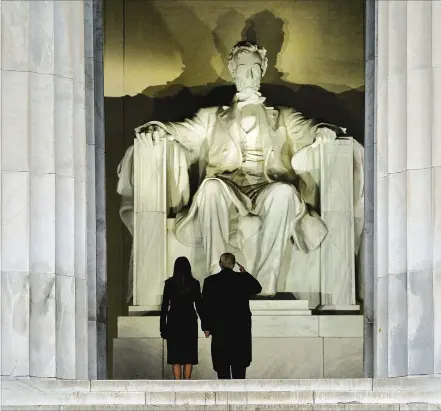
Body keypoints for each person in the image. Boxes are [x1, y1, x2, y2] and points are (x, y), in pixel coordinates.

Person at [128, 40, 362, 297]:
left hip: (267, 188)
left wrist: (323, 131)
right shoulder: (210, 116)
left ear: (262, 70)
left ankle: (265, 286)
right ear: (232, 69)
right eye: (242, 67)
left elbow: (308, 128)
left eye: (254, 67)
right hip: (226, 188)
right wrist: (157, 129)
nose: (249, 74)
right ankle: (218, 282)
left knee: (284, 193)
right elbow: (181, 132)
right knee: (210, 188)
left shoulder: (282, 115)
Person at [202, 252, 262, 379]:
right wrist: (245, 273)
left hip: (220, 330)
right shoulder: (242, 279)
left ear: (220, 264)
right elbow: (257, 288)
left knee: (222, 370)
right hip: (240, 331)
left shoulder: (210, 281)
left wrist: (206, 326)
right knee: (239, 371)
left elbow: (205, 306)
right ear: (234, 264)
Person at [160, 256, 203, 380]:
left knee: (175, 356)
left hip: (174, 321)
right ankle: (187, 383)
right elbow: (199, 305)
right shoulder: (194, 283)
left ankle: (177, 384)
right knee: (189, 355)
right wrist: (205, 325)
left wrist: (163, 327)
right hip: (189, 320)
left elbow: (164, 307)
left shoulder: (169, 284)